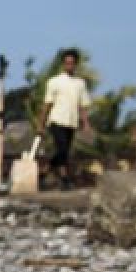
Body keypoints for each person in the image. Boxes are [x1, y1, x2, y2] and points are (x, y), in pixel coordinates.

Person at [37, 48, 92, 189]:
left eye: (72, 63)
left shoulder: (80, 83)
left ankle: (45, 172)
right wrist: (41, 124)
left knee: (65, 152)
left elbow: (83, 105)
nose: (69, 65)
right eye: (67, 63)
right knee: (62, 149)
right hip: (56, 120)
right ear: (63, 64)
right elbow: (47, 104)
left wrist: (86, 123)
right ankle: (65, 178)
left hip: (71, 122)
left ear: (76, 64)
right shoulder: (54, 81)